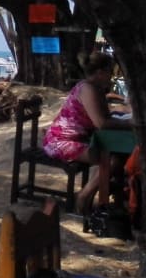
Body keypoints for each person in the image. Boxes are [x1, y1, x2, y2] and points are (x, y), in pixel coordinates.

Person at [42, 52, 132, 212]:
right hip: (61, 141)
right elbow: (101, 123)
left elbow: (103, 116)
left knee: (113, 156)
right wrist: (130, 123)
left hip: (76, 138)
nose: (111, 76)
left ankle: (89, 193)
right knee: (112, 160)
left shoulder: (95, 89)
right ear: (100, 72)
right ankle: (84, 195)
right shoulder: (88, 89)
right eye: (109, 72)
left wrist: (122, 118)